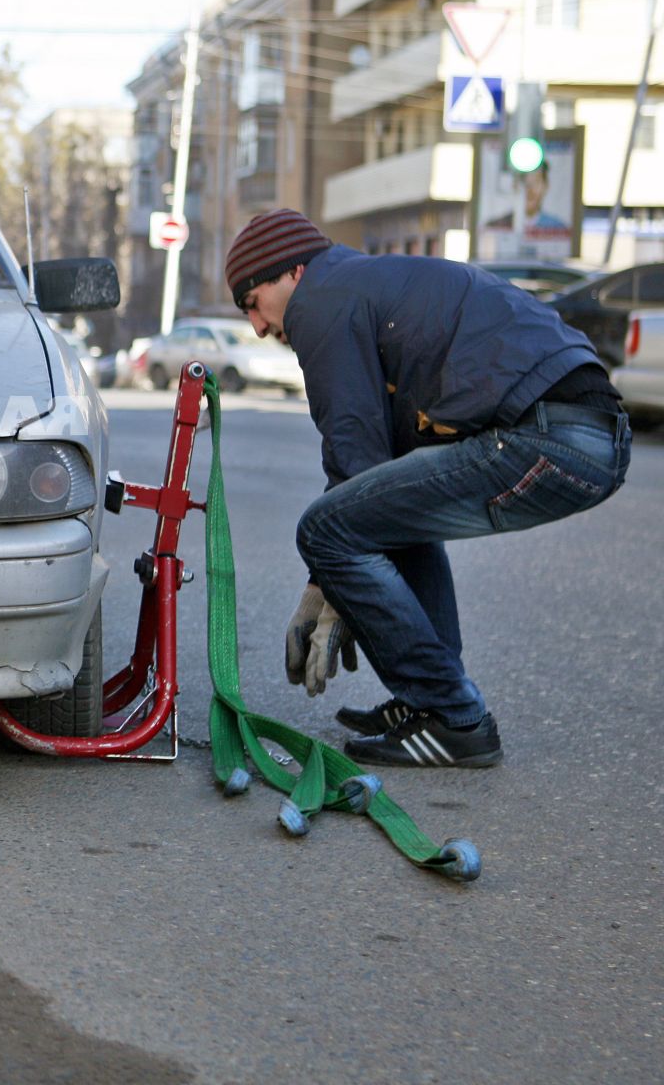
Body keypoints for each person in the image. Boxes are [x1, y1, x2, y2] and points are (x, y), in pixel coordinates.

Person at [226, 209, 630, 768]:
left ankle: (451, 715)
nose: (258, 327)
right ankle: (429, 702)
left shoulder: (322, 299)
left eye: (251, 302)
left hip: (548, 435)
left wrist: (329, 581)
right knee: (393, 513)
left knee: (323, 527)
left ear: (291, 272)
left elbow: (353, 456)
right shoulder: (367, 284)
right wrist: (328, 586)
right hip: (591, 436)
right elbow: (376, 475)